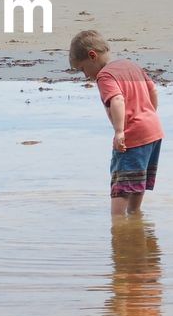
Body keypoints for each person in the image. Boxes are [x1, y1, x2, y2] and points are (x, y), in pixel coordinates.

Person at [68, 29, 163, 220]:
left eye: (83, 69)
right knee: (138, 180)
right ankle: (135, 215)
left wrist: (120, 131)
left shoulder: (105, 76)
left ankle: (118, 222)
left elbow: (118, 99)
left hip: (132, 135)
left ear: (92, 56)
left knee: (121, 184)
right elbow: (153, 89)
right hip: (153, 131)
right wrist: (149, 114)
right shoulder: (130, 65)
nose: (86, 76)